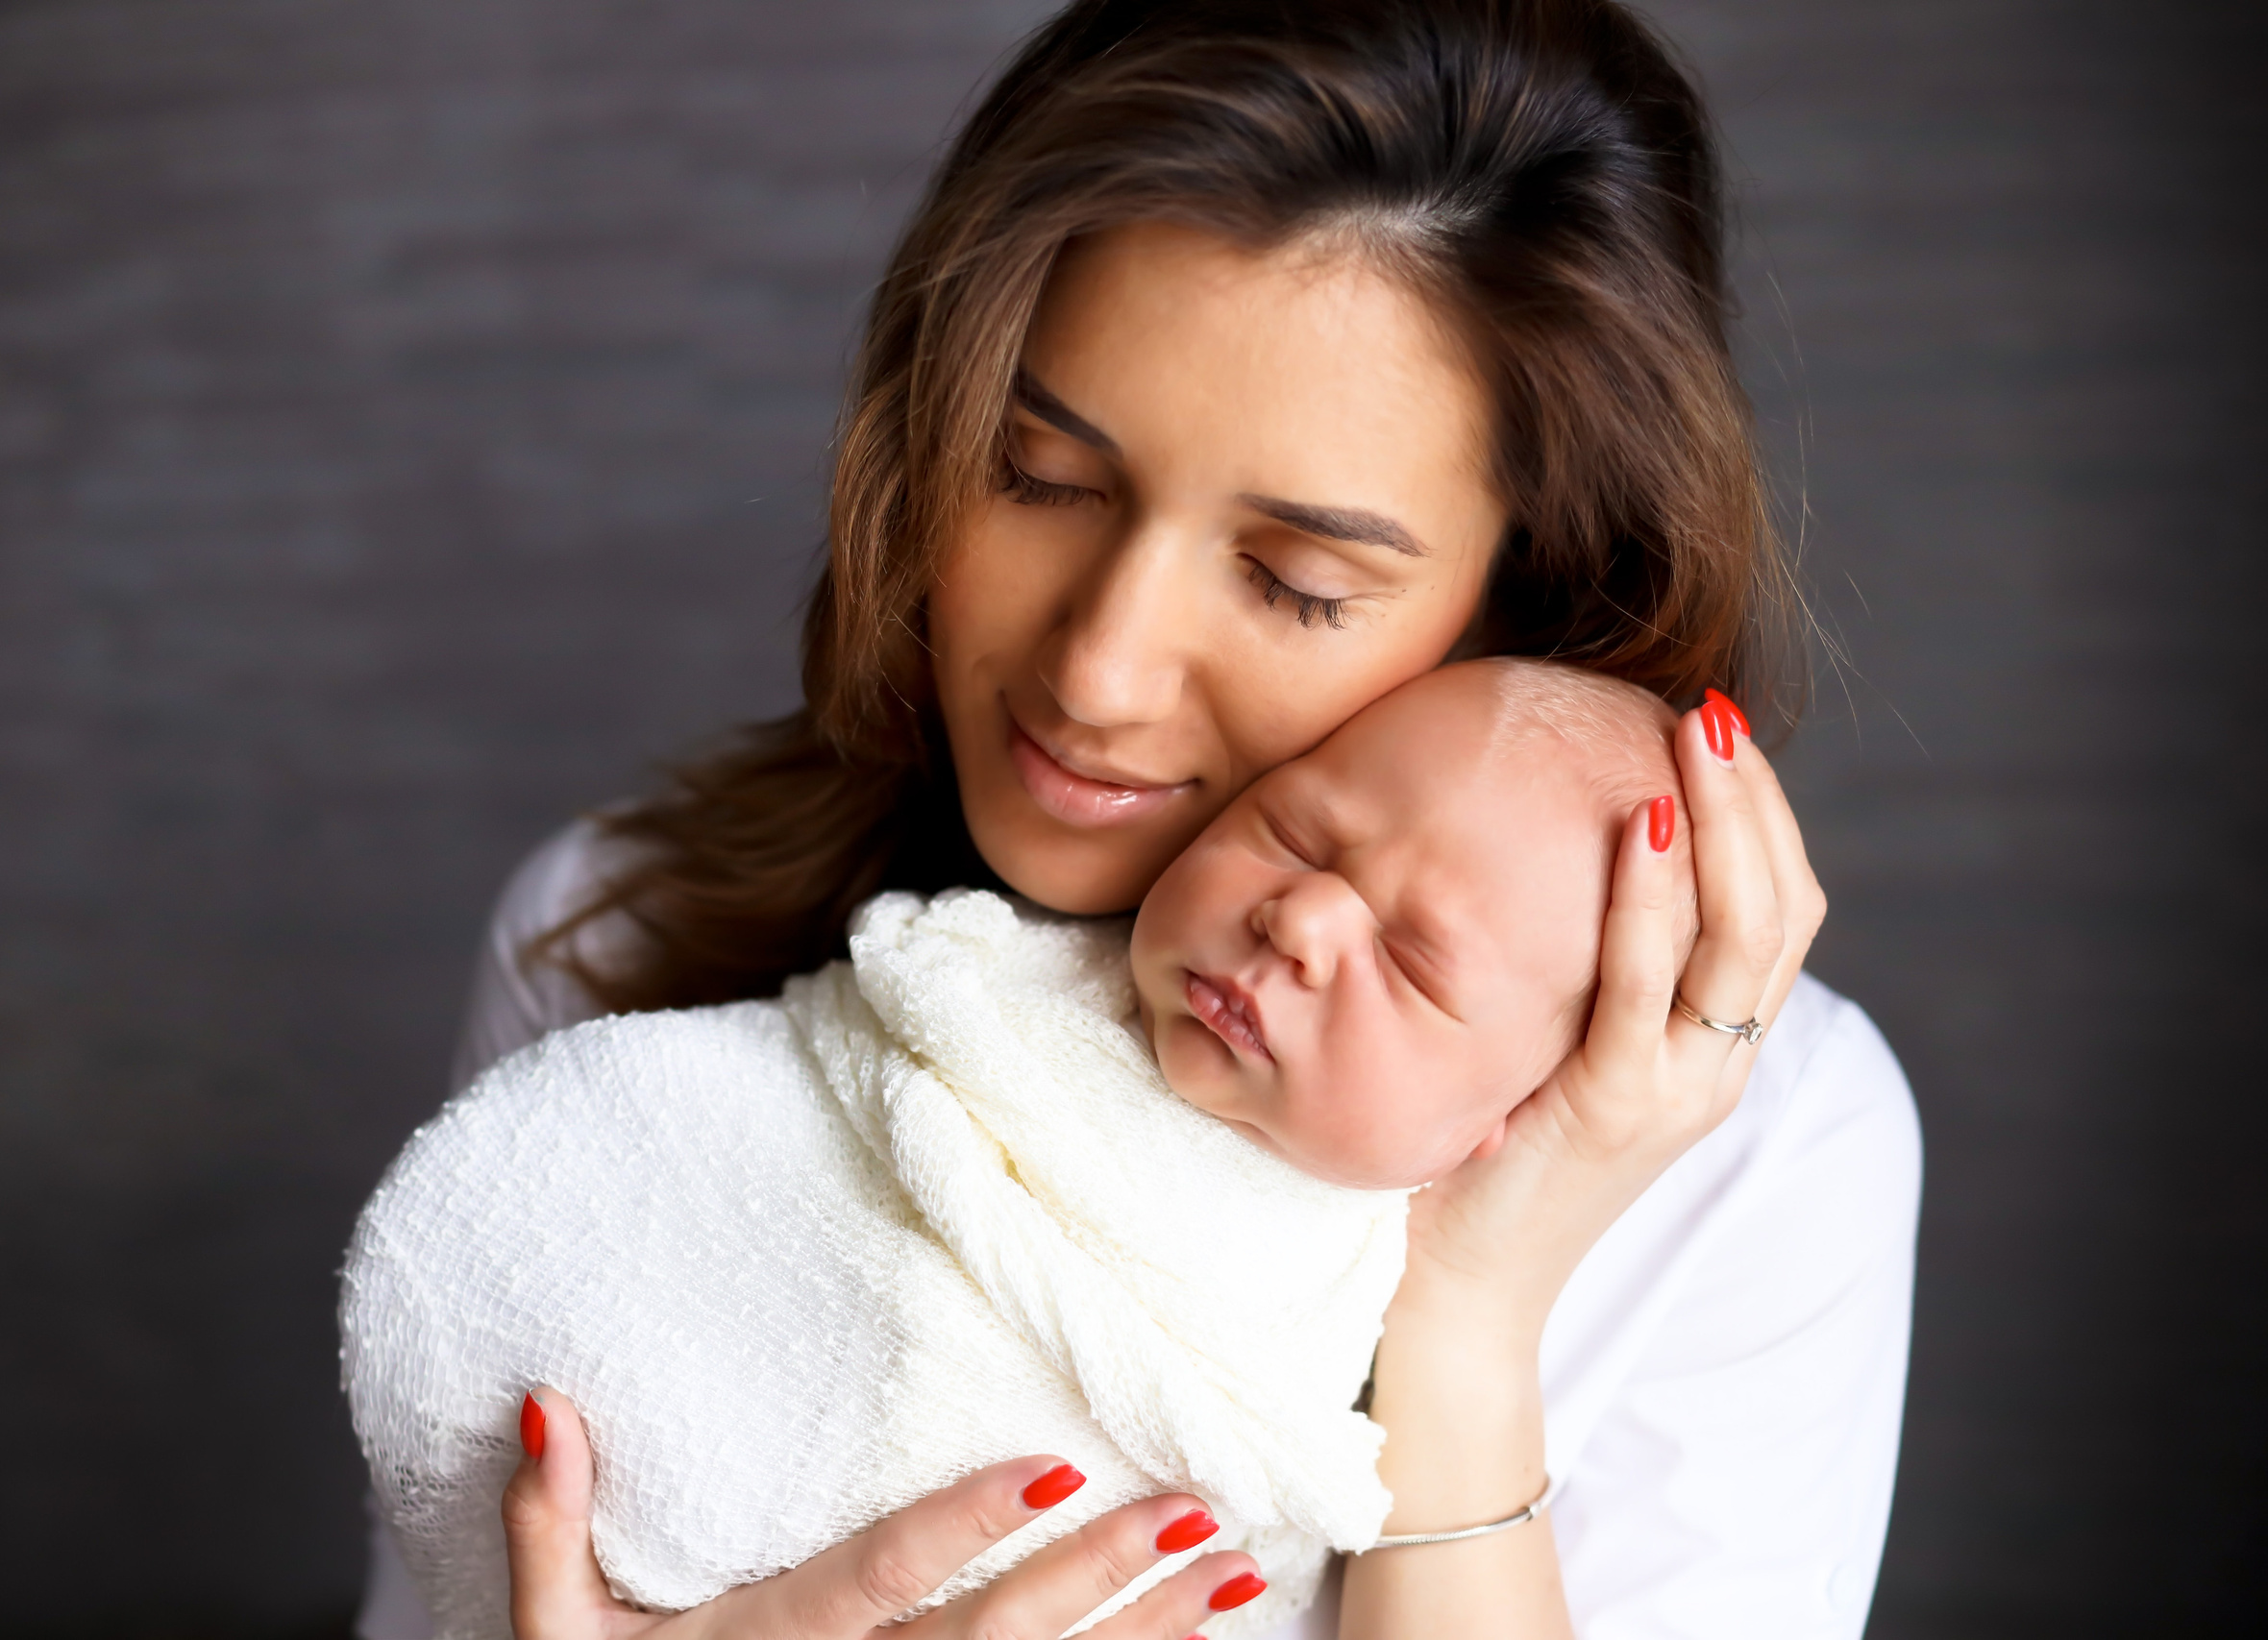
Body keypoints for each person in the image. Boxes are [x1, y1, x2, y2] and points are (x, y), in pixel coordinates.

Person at [357, 2, 1920, 1636]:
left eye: (1296, 581)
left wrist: (1469, 1317)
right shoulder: (616, 937)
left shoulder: (1766, 1151)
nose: (1097, 672)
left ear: (1527, 601)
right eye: (1038, 475)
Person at [346, 660, 1694, 1639]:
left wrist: (1465, 1310)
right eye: (1293, 832)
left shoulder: (1390, 1274)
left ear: (1509, 1113)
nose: (1302, 921)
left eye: (1410, 962)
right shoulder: (991, 990)